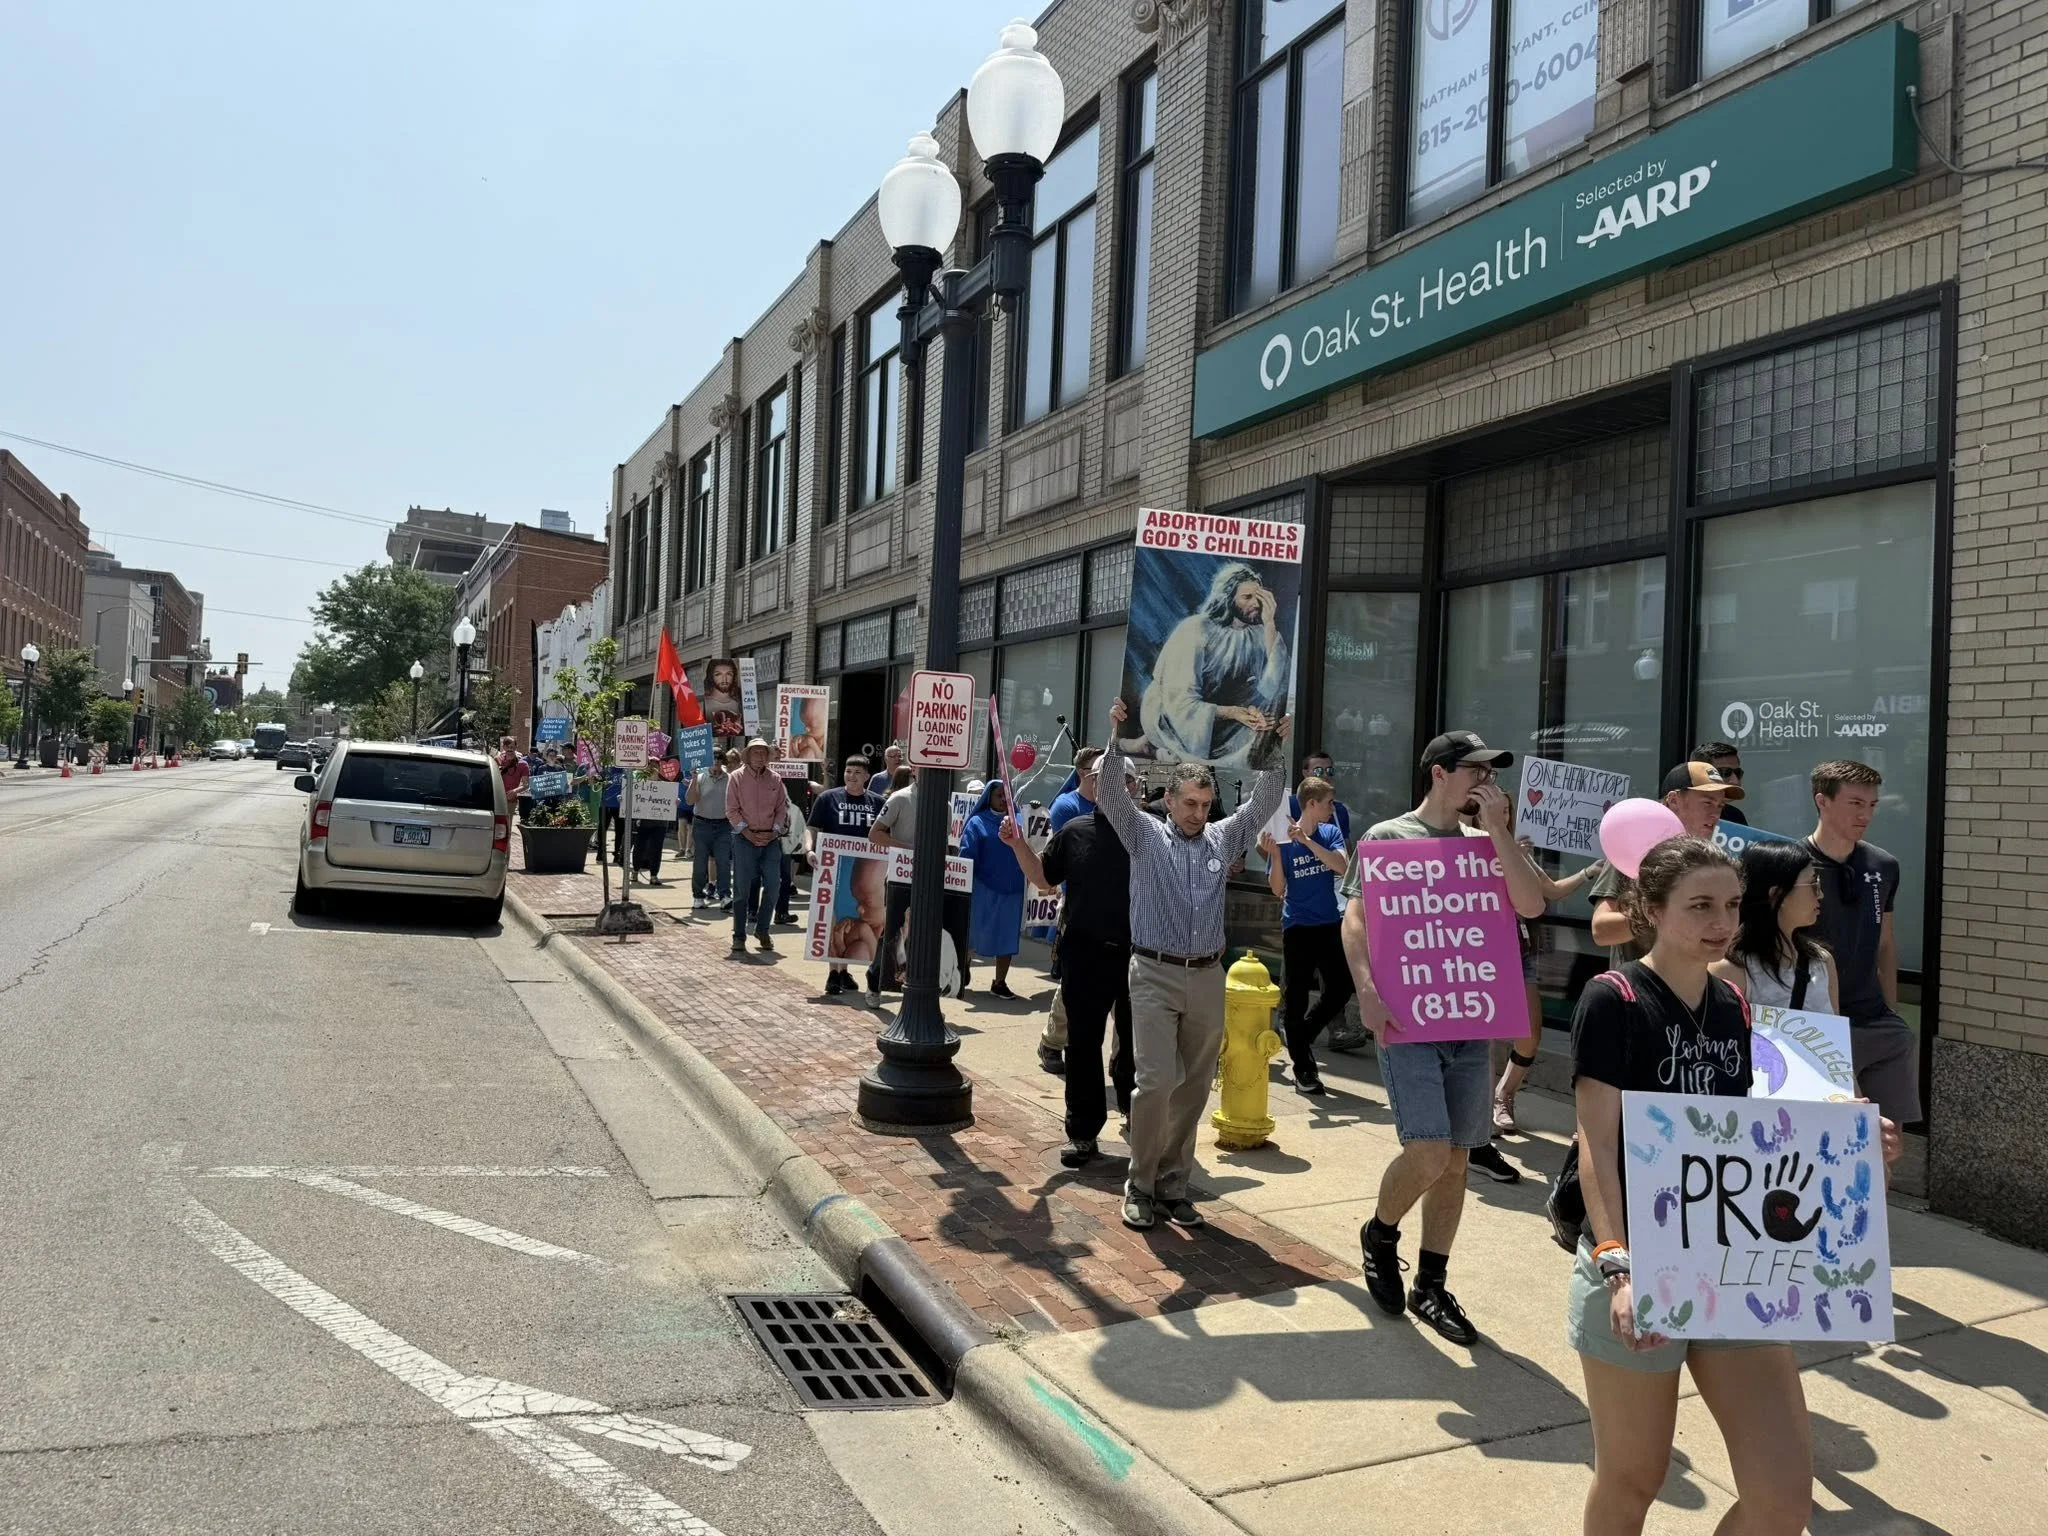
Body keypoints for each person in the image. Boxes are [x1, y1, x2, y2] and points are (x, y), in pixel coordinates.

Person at [1568, 835, 1901, 1536]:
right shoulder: (1614, 998)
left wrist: (1853, 1135)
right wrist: (1617, 1263)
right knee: (1633, 1481)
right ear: (1651, 910)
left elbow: (1778, 1119)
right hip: (1635, 1263)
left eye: (1731, 905)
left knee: (1782, 1499)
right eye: (1699, 906)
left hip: (1733, 1264)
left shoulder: (1734, 1001)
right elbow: (1597, 1144)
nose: (1722, 921)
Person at [1338, 731, 1549, 1344]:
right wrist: (1367, 991)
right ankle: (1381, 1233)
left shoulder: (1488, 846)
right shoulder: (1386, 839)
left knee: (1457, 1161)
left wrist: (1500, 830)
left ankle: (1431, 1284)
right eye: (1475, 772)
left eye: (1491, 774)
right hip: (1408, 1021)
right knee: (1429, 1152)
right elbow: (1356, 920)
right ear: (1439, 774)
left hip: (1470, 1021)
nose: (1485, 783)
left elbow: (1531, 905)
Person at [1097, 695, 1288, 1232]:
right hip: (1153, 972)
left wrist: (1274, 748)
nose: (1199, 813)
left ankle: (1174, 1184)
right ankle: (1139, 1183)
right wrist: (1116, 736)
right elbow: (1111, 793)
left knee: (1196, 1086)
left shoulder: (1222, 838)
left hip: (1208, 975)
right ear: (1170, 799)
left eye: (1205, 805)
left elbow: (1260, 803)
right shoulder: (1143, 834)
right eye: (1190, 804)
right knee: (1155, 1083)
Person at [1003, 769, 1139, 1167]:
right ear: (1094, 787)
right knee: (1082, 1045)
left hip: (1139, 956)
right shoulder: (1075, 830)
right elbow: (1043, 876)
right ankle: (1082, 1132)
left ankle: (1136, 1117)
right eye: (1103, 779)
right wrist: (1016, 844)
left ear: (1133, 787)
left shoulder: (1150, 833)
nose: (1112, 786)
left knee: (1136, 1045)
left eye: (1121, 780)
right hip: (1085, 954)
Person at [1804, 760, 1920, 1125]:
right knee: (1839, 1141)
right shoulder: (1793, 865)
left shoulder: (1884, 865)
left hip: (1876, 1021)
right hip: (1817, 1028)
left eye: (1872, 805)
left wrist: (1891, 1011)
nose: (1866, 814)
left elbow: (1885, 943)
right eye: (1856, 803)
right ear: (1822, 801)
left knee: (1888, 1142)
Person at [1588, 761, 1744, 967]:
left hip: (1695, 985)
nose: (1715, 814)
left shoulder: (1715, 857)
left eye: (1720, 805)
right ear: (1673, 800)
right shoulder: (1637, 848)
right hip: (1641, 988)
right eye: (1707, 803)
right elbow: (1601, 930)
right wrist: (1666, 913)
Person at [1136, 562, 1291, 770]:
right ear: (1228, 598)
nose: (1256, 603)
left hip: (1226, 723)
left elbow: (1273, 688)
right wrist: (1233, 712)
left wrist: (1270, 625)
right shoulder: (1196, 629)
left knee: (1260, 744)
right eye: (1247, 597)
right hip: (1182, 719)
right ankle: (1152, 746)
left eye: (1259, 596)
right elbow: (1180, 699)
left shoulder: (1257, 635)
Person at [1259, 775, 1352, 1096]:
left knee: (1341, 988)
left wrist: (1310, 843)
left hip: (1329, 924)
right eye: (1327, 803)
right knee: (1295, 999)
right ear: (1311, 803)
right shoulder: (1284, 840)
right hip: (1297, 927)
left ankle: (1302, 1035)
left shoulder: (1329, 832)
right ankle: (1305, 1069)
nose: (1332, 808)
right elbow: (1277, 889)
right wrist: (1274, 855)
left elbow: (1343, 867)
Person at [865, 769, 972, 999]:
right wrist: (910, 848)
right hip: (900, 877)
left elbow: (943, 844)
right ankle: (875, 979)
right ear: (915, 771)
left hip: (931, 880)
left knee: (928, 933)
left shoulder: (946, 805)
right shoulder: (899, 798)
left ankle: (922, 991)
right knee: (893, 931)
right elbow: (875, 834)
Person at [1710, 839, 1839, 1013]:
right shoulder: (1730, 970)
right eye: (1813, 884)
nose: (1820, 894)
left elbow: (1836, 1038)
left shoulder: (1822, 962)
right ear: (1777, 895)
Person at [808, 755, 888, 996]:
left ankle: (845, 972)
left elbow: (884, 833)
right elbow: (812, 828)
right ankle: (834, 972)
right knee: (834, 920)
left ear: (866, 777)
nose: (851, 775)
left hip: (863, 871)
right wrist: (809, 849)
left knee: (857, 921)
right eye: (848, 770)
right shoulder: (828, 798)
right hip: (834, 868)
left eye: (856, 772)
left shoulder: (877, 802)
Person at [960, 780, 1026, 998]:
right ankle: (963, 968)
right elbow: (966, 854)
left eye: (1007, 796)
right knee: (973, 934)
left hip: (1012, 887)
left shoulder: (1018, 821)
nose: (1003, 800)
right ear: (989, 797)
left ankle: (999, 982)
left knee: (1007, 937)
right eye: (999, 796)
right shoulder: (977, 822)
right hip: (982, 887)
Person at [725, 738, 787, 956]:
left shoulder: (776, 779)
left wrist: (775, 830)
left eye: (764, 753)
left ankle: (762, 929)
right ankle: (739, 935)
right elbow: (731, 810)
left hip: (770, 841)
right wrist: (747, 832)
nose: (760, 757)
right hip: (744, 839)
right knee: (741, 890)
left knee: (773, 886)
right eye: (756, 753)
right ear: (747, 756)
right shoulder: (736, 778)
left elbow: (782, 809)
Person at [686, 749, 735, 909]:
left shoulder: (729, 779)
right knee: (700, 863)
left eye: (720, 758)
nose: (716, 761)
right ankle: (698, 896)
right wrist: (693, 779)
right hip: (702, 825)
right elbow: (690, 800)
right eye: (713, 758)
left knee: (723, 862)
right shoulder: (700, 778)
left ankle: (725, 896)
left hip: (723, 826)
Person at [1290, 749, 1353, 849]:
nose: (1325, 775)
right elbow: (1264, 847)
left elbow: (1346, 846)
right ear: (1305, 773)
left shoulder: (1339, 810)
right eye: (1318, 771)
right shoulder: (1289, 805)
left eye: (1329, 771)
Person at [1691, 740, 1749, 826]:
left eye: (1738, 773)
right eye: (1725, 772)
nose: (1735, 781)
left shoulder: (1735, 816)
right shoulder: (1677, 813)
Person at [704, 659, 743, 741]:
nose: (724, 679)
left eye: (729, 674)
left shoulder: (740, 700)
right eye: (718, 674)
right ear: (711, 677)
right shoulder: (704, 702)